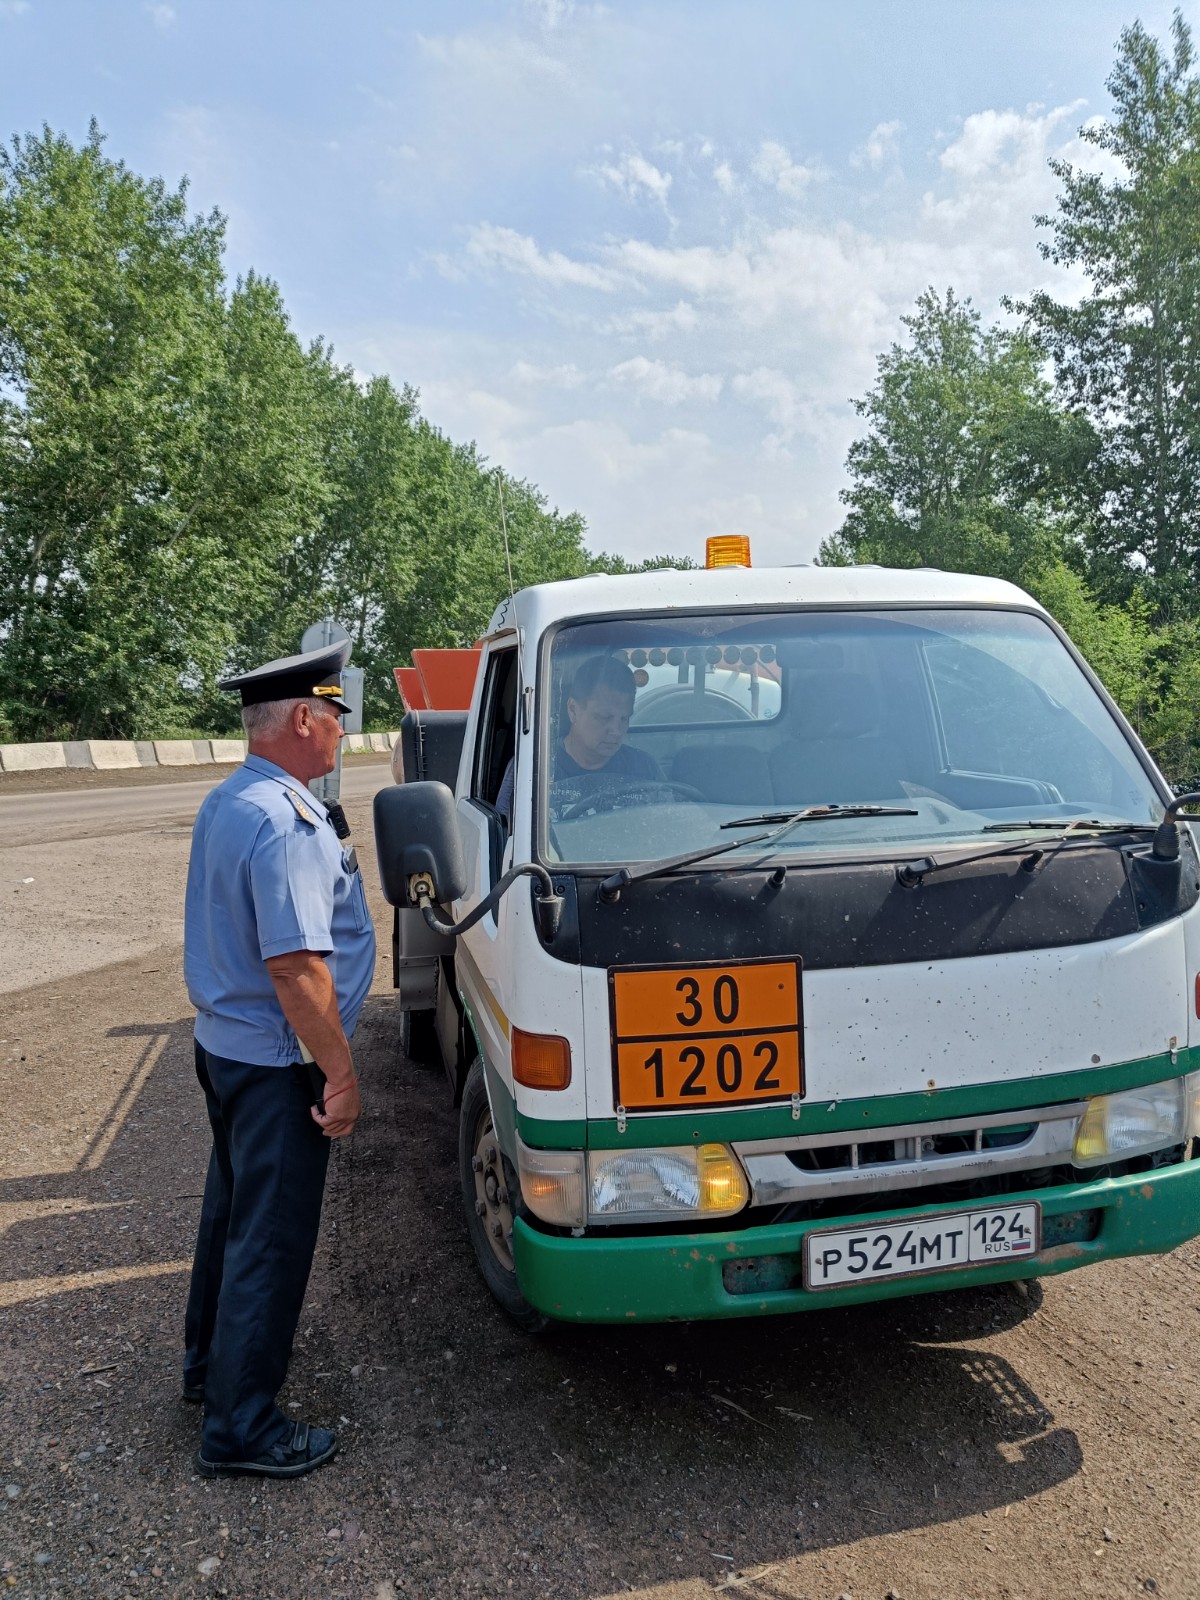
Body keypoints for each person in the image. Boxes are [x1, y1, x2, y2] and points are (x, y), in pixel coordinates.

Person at [181, 641, 376, 1480]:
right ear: (303, 719)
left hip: (226, 1050)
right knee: (270, 1239)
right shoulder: (286, 820)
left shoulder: (231, 800)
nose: (339, 733)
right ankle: (242, 1428)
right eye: (335, 717)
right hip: (277, 1064)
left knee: (230, 1220)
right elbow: (297, 967)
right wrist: (338, 1072)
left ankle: (209, 1375)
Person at [495, 654, 659, 823]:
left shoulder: (644, 769)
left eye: (624, 719)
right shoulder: (531, 769)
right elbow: (507, 835)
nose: (616, 731)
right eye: (603, 717)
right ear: (573, 710)